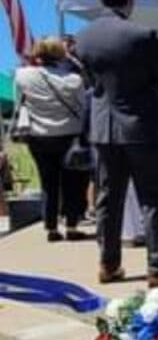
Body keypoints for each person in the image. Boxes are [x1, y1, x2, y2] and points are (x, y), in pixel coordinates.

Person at [74, 0, 158, 285]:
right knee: (151, 197)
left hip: (103, 127)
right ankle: (157, 265)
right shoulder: (142, 35)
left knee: (108, 198)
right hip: (141, 125)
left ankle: (108, 263)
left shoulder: (84, 37)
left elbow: (91, 82)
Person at [13, 36, 89, 241]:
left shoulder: (23, 76)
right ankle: (72, 225)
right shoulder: (74, 79)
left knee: (48, 182)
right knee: (73, 183)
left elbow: (19, 103)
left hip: (38, 135)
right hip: (69, 135)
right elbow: (82, 109)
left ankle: (51, 227)